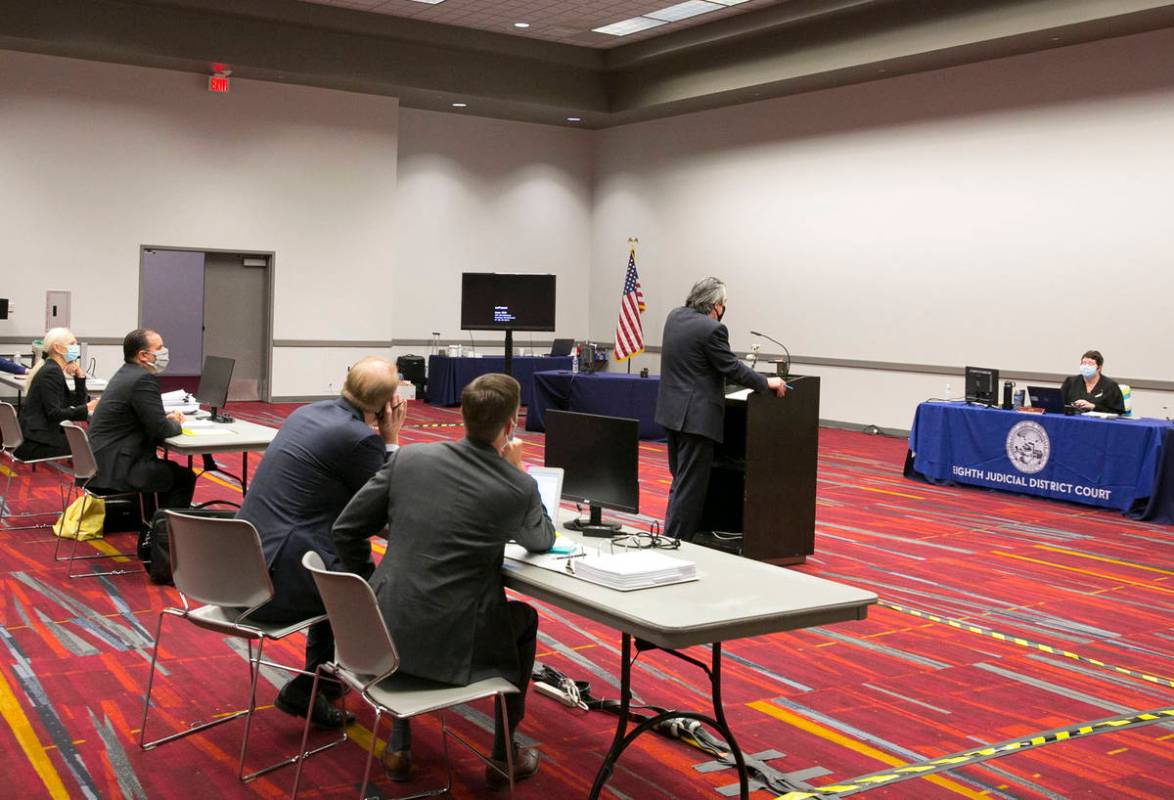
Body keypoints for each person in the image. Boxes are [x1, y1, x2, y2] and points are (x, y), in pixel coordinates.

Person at [332, 373, 555, 789]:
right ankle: (503, 755)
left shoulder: (407, 460)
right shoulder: (516, 486)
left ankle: (399, 747)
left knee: (416, 611)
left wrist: (367, 589)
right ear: (511, 426)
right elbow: (541, 539)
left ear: (462, 418)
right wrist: (518, 469)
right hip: (451, 642)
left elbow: (345, 529)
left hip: (378, 631)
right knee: (522, 620)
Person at [238, 356, 406, 730]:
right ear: (389, 403)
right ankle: (317, 683)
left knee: (349, 560)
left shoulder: (305, 411)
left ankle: (320, 684)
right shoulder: (360, 439)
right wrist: (390, 441)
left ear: (345, 379)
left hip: (241, 567)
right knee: (365, 585)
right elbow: (386, 505)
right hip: (275, 582)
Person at [655, 277, 787, 542]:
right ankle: (676, 543)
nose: (723, 309)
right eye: (724, 304)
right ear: (715, 305)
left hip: (671, 414)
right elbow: (731, 368)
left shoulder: (674, 317)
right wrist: (765, 382)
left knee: (679, 482)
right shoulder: (712, 330)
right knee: (689, 488)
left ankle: (670, 536)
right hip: (696, 420)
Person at [86, 329, 196, 510]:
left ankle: (152, 520)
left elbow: (145, 418)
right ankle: (165, 533)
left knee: (169, 470)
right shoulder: (143, 379)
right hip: (118, 469)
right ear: (143, 355)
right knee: (184, 477)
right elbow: (160, 430)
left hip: (100, 463)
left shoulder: (125, 373)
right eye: (159, 348)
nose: (164, 352)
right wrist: (176, 422)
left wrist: (162, 419)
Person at [14, 328, 98, 460]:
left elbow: (75, 403)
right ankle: (86, 479)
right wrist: (88, 408)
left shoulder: (52, 368)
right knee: (96, 445)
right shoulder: (51, 372)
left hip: (37, 437)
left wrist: (80, 377)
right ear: (58, 348)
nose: (75, 347)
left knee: (90, 441)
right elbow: (54, 414)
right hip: (37, 442)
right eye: (72, 344)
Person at [1061, 350, 1125, 414]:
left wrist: (1093, 407)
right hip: (1074, 419)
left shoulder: (1111, 386)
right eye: (1084, 363)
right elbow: (1060, 404)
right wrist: (1074, 405)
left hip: (1099, 422)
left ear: (1099, 368)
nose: (1086, 366)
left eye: (1090, 364)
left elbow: (1117, 412)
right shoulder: (1070, 382)